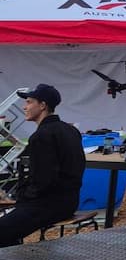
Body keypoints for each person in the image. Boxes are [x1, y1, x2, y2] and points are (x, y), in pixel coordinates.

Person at [0, 84, 86, 247]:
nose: (25, 107)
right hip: (70, 201)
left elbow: (43, 180)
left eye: (30, 102)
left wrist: (21, 197)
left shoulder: (42, 136)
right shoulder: (70, 130)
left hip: (48, 205)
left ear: (42, 105)